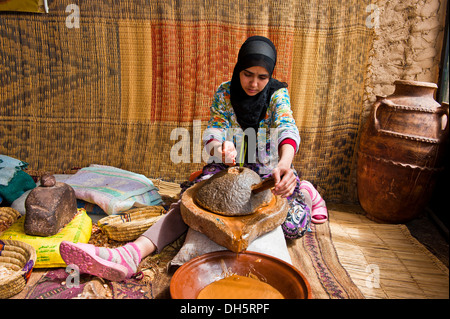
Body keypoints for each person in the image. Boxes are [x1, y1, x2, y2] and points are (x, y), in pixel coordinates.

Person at [59, 36, 327, 282]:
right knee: (191, 206)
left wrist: (284, 164)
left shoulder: (277, 94)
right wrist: (220, 147)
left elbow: (287, 129)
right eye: (247, 74)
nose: (254, 84)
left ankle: (305, 190)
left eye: (262, 77)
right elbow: (213, 130)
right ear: (238, 69)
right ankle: (131, 254)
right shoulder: (225, 92)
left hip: (268, 169)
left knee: (292, 226)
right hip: (228, 167)